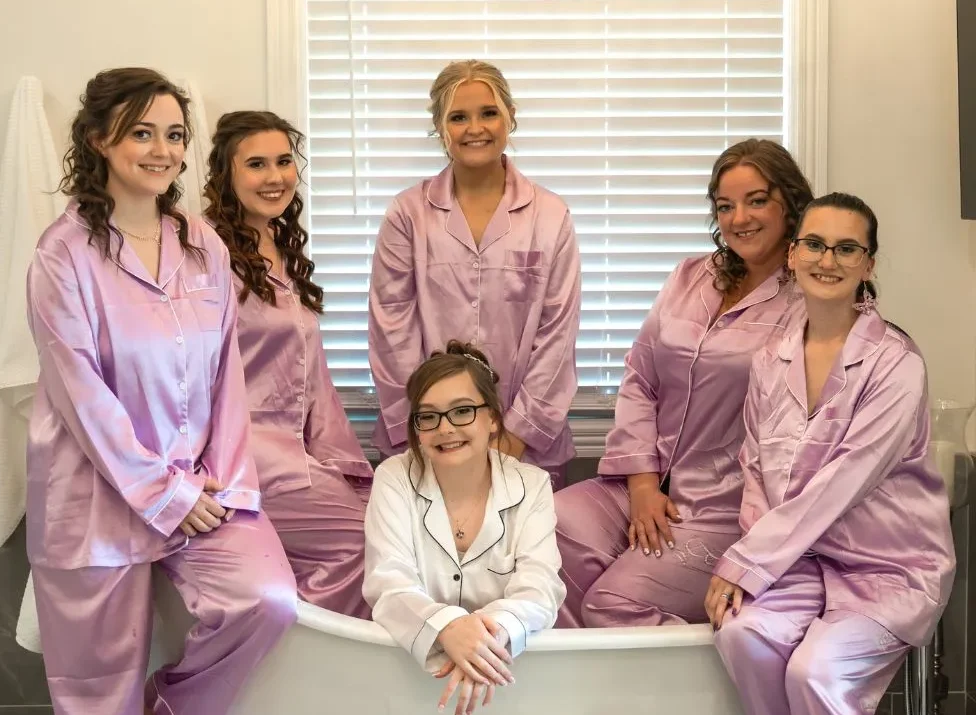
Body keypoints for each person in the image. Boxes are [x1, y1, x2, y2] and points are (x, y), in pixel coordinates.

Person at [25, 68, 297, 714]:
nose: (162, 150)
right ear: (98, 140)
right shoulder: (62, 256)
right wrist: (164, 493)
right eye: (141, 133)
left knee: (268, 601)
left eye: (175, 135)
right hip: (95, 498)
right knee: (95, 689)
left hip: (201, 490)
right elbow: (80, 396)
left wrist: (223, 481)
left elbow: (226, 376)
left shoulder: (201, 243)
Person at [705, 192, 956, 715]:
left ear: (868, 264)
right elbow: (754, 468)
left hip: (885, 568)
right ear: (792, 254)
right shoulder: (769, 361)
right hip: (797, 562)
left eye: (846, 249)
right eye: (815, 244)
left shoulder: (895, 365)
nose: (828, 259)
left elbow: (847, 478)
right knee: (742, 637)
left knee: (815, 670)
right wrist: (760, 565)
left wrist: (746, 563)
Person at [554, 139, 813, 627]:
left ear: (790, 205)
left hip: (721, 508)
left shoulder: (805, 304)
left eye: (757, 200)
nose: (740, 218)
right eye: (725, 205)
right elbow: (640, 378)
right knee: (542, 535)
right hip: (637, 485)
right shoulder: (690, 276)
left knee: (613, 605)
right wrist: (644, 483)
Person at [368, 60, 581, 491]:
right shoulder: (407, 215)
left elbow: (557, 338)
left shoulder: (551, 216)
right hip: (428, 442)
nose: (475, 128)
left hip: (524, 448)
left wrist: (513, 438)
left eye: (488, 113)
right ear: (439, 128)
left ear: (510, 117)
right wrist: (430, 430)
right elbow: (391, 332)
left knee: (521, 558)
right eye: (458, 117)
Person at [205, 110, 374, 618]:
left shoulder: (278, 247)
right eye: (256, 164)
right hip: (245, 452)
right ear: (226, 175)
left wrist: (337, 459)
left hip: (295, 452)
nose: (275, 176)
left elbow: (310, 378)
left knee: (382, 527)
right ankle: (309, 665)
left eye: (284, 161)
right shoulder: (206, 255)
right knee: (364, 545)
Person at [364, 341, 565, 715]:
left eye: (462, 411)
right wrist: (448, 629)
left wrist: (482, 644)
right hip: (411, 678)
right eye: (428, 417)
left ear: (492, 419)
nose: (445, 429)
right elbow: (388, 581)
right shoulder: (393, 478)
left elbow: (540, 586)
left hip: (508, 677)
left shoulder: (533, 485)